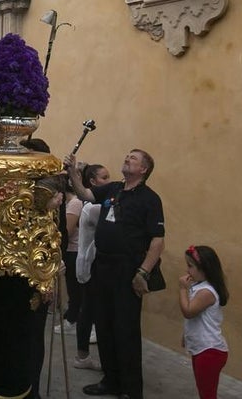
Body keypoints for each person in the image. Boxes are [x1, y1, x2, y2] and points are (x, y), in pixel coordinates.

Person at [66, 149, 165, 399]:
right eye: (128, 156)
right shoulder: (113, 190)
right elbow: (84, 194)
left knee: (126, 330)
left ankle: (131, 390)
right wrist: (73, 171)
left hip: (127, 269)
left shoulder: (150, 199)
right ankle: (110, 381)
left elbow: (157, 241)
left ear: (143, 170)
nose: (127, 159)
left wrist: (143, 272)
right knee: (104, 325)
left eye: (134, 158)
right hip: (103, 266)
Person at [64, 163, 111, 370]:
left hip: (88, 263)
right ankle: (83, 356)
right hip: (90, 265)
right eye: (104, 178)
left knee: (86, 309)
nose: (108, 182)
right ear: (92, 182)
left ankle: (82, 355)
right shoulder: (93, 208)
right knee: (88, 309)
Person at [179, 245, 230, 399]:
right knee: (204, 391)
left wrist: (182, 289)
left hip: (209, 351)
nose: (187, 270)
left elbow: (188, 312)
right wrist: (185, 335)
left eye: (190, 266)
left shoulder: (206, 292)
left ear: (204, 269)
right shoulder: (198, 286)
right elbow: (196, 318)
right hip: (201, 349)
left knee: (207, 394)